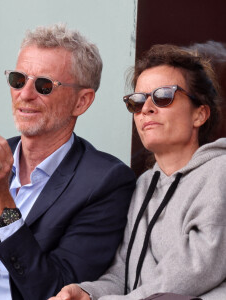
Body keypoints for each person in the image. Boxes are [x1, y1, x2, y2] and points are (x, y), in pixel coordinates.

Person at [0, 24, 136, 300]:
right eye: (18, 79)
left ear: (81, 102)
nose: (24, 94)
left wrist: (2, 202)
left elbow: (55, 291)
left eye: (43, 85)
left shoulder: (104, 182)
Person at [49, 44, 226, 300]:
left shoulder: (219, 173)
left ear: (200, 114)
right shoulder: (143, 185)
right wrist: (89, 292)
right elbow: (123, 272)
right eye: (137, 101)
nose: (146, 109)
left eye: (163, 96)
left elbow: (192, 272)